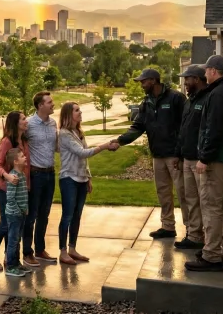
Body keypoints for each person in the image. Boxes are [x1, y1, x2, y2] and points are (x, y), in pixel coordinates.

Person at [107, 69, 187, 239]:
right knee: (163, 192)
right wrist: (120, 141)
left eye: (143, 82)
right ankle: (168, 226)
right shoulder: (146, 103)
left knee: (183, 193)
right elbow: (138, 126)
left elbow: (186, 126)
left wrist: (181, 152)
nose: (141, 85)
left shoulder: (176, 98)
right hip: (157, 155)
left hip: (175, 155)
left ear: (153, 80)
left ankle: (193, 232)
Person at [186, 55, 223, 273]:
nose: (204, 74)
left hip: (218, 161)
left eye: (206, 70)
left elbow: (214, 129)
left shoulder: (218, 94)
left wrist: (204, 158)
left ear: (213, 71)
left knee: (211, 206)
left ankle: (211, 255)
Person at [57, 101, 113, 264]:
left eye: (79, 110)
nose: (80, 112)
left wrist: (88, 177)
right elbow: (82, 153)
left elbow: (84, 161)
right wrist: (104, 146)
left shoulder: (78, 132)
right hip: (69, 178)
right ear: (68, 114)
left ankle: (72, 249)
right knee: (67, 215)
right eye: (76, 110)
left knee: (77, 216)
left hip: (81, 179)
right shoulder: (64, 133)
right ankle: (63, 251)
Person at [0, 111, 31, 271]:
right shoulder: (7, 142)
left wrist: (27, 187)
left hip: (21, 189)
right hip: (6, 190)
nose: (26, 121)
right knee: (6, 224)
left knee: (15, 228)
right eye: (23, 119)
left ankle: (10, 258)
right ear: (15, 123)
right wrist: (7, 176)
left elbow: (27, 167)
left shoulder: (24, 141)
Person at [174, 64, 208, 250]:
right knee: (190, 198)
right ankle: (194, 235)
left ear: (196, 79)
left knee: (205, 201)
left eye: (187, 79)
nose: (185, 83)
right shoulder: (190, 101)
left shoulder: (208, 100)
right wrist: (178, 154)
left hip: (200, 159)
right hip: (187, 158)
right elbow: (183, 130)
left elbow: (209, 131)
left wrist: (204, 156)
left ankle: (209, 239)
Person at [23, 91, 58, 267]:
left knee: (45, 214)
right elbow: (18, 145)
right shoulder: (28, 124)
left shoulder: (53, 123)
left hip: (50, 174)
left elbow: (57, 147)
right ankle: (27, 252)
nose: (53, 104)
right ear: (40, 106)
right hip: (35, 175)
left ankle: (40, 249)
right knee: (32, 215)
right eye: (49, 102)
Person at [4, 147, 30, 277]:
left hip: (20, 214)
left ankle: (17, 263)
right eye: (22, 156)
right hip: (14, 214)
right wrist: (18, 210)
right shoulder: (13, 177)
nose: (25, 157)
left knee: (17, 239)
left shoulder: (22, 175)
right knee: (13, 241)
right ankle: (10, 266)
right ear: (15, 161)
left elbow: (23, 195)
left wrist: (25, 209)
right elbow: (10, 198)